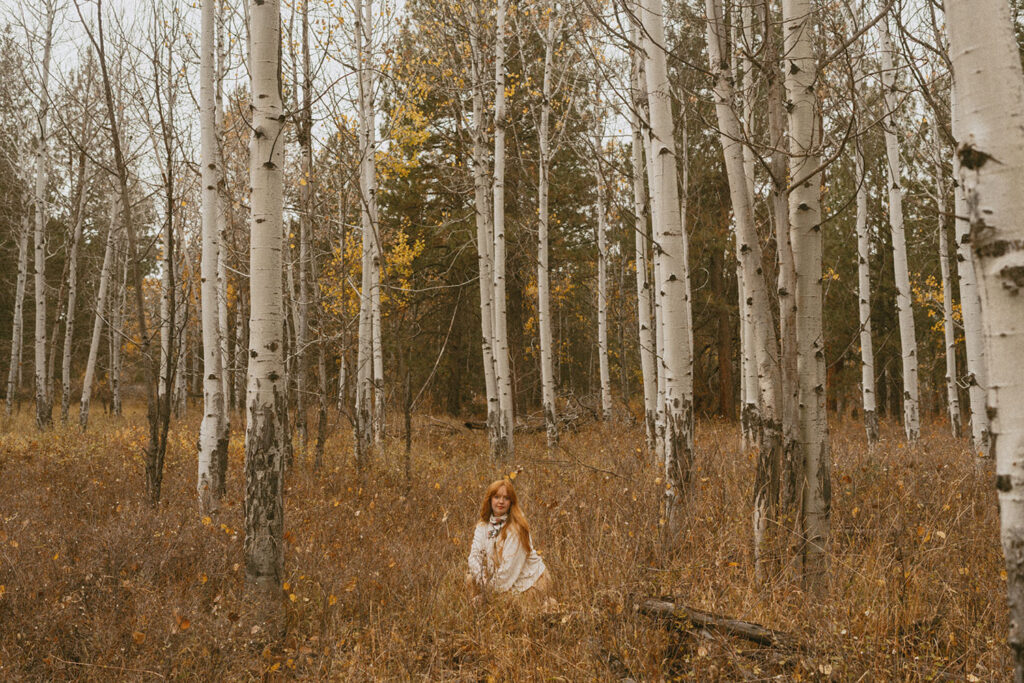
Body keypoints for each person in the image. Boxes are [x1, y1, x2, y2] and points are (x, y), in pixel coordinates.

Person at [466, 478, 551, 602]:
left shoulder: (516, 528)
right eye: (496, 497)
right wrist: (482, 578)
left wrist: (487, 595)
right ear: (490, 499)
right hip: (499, 580)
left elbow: (508, 571)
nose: (501, 501)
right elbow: (474, 556)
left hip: (528, 582)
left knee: (505, 607)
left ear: (511, 502)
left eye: (506, 498)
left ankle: (546, 605)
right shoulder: (483, 526)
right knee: (470, 579)